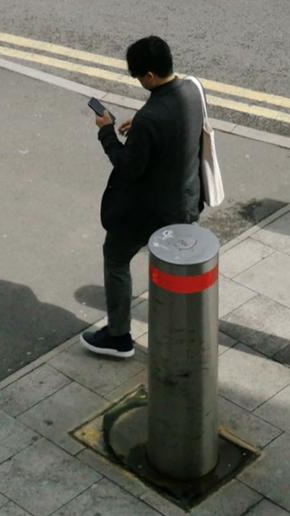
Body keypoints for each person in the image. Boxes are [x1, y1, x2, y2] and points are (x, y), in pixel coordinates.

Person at [84, 34, 205, 359]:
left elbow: (128, 168)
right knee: (176, 275)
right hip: (186, 202)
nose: (139, 81)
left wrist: (106, 131)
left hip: (148, 213)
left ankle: (119, 336)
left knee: (116, 258)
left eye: (139, 77)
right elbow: (178, 119)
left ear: (149, 75)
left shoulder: (151, 119)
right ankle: (184, 336)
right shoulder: (193, 89)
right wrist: (140, 121)